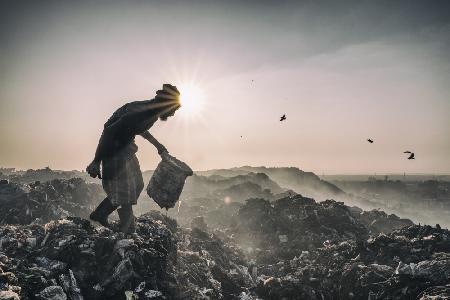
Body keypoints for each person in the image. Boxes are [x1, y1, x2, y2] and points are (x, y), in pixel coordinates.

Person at [86, 84, 181, 233]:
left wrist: (157, 145)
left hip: (127, 148)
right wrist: (96, 161)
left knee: (137, 185)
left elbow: (138, 128)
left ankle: (101, 213)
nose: (173, 114)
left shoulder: (152, 111)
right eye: (173, 109)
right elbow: (109, 131)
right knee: (125, 193)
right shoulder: (141, 111)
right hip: (114, 151)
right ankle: (127, 229)